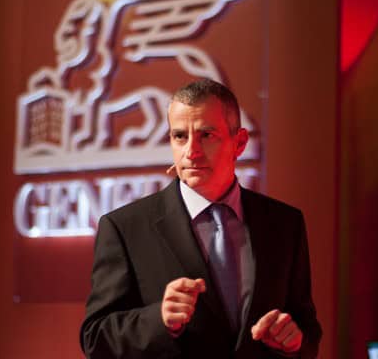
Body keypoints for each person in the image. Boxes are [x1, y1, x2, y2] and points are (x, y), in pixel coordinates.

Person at [80, 79, 322, 358]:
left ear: (240, 143)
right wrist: (158, 320)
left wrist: (294, 342)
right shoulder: (125, 228)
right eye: (180, 136)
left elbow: (307, 329)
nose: (191, 152)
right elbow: (95, 337)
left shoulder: (284, 224)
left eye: (206, 135)